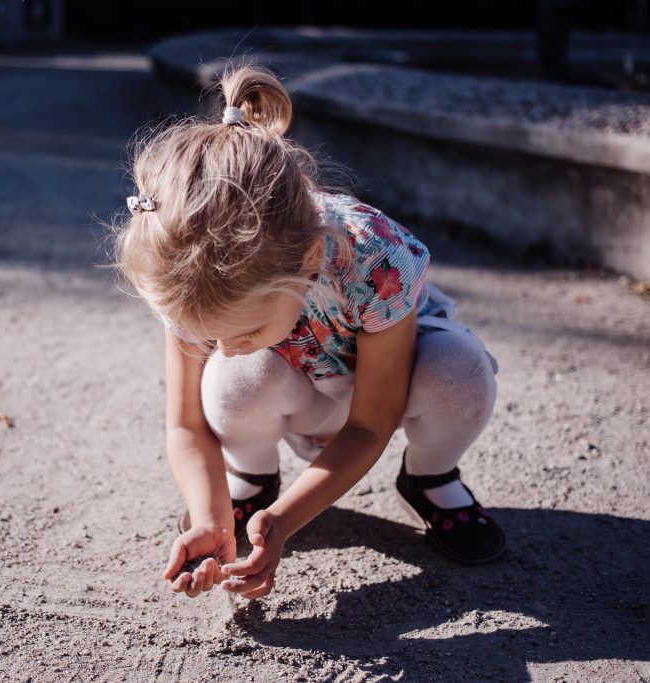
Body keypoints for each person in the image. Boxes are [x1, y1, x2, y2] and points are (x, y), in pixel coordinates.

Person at [111, 63, 504, 601]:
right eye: (207, 333)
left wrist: (287, 520)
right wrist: (211, 516)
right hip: (293, 392)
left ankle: (431, 477)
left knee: (459, 371)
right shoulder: (187, 263)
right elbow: (185, 424)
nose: (221, 347)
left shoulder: (374, 254)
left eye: (243, 328)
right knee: (232, 378)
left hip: (379, 391)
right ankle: (250, 479)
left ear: (311, 258)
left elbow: (372, 423)